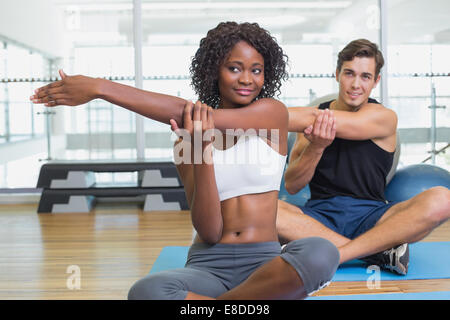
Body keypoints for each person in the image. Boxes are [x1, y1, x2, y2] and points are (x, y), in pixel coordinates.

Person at [30, 22, 339, 300]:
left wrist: (101, 88)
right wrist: (202, 151)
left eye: (256, 70)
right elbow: (208, 230)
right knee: (146, 292)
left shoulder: (272, 115)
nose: (247, 79)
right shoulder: (185, 139)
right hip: (208, 268)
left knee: (321, 253)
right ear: (213, 71)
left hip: (265, 264)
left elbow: (186, 113)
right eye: (234, 68)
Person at [278, 38, 450, 275]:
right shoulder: (313, 121)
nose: (356, 84)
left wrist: (240, 119)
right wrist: (316, 147)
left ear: (376, 81)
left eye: (365, 76)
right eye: (349, 73)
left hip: (373, 218)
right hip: (318, 218)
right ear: (337, 74)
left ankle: (337, 253)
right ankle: (377, 252)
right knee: (263, 208)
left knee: (443, 198)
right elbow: (293, 185)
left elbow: (317, 119)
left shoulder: (384, 117)